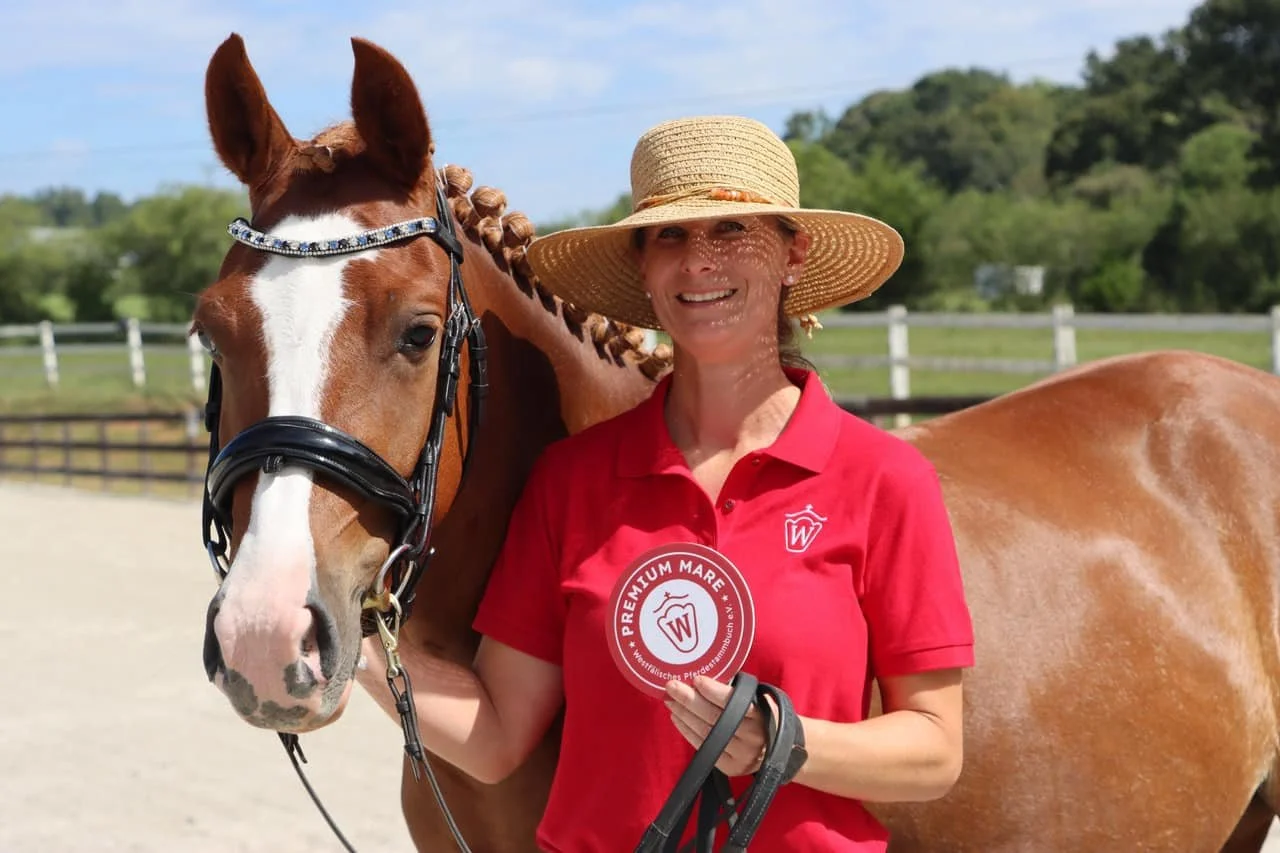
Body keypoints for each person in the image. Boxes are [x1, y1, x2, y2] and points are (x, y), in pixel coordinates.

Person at [363, 115, 975, 852]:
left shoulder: (883, 479)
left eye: (732, 231)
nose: (698, 263)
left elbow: (936, 750)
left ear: (793, 253)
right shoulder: (572, 481)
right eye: (671, 238)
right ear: (644, 271)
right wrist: (355, 654)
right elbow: (495, 733)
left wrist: (784, 742)